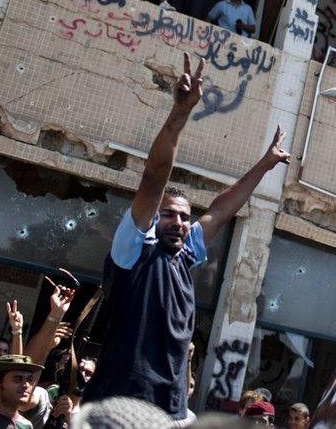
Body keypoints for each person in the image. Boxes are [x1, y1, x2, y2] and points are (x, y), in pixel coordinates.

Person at [80, 54, 291, 422]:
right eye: (169, 214)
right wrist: (180, 114)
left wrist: (264, 164)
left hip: (171, 408)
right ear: (151, 218)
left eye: (184, 216)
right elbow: (154, 176)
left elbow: (223, 209)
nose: (179, 221)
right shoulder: (133, 250)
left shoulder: (184, 255)